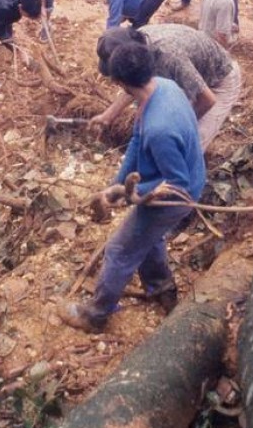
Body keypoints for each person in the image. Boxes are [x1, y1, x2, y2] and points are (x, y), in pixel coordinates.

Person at [58, 42, 205, 332]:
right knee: (146, 236)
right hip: (171, 180)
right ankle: (162, 290)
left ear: (119, 83)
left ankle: (95, 315)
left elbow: (177, 183)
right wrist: (117, 184)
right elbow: (137, 139)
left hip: (177, 194)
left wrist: (133, 196)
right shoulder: (162, 86)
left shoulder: (160, 128)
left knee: (119, 250)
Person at [92, 24, 242, 152]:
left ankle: (184, 182)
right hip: (190, 73)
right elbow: (133, 81)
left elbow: (207, 100)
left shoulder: (168, 55)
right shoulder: (137, 42)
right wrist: (108, 116)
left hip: (220, 80)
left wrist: (177, 126)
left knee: (188, 144)